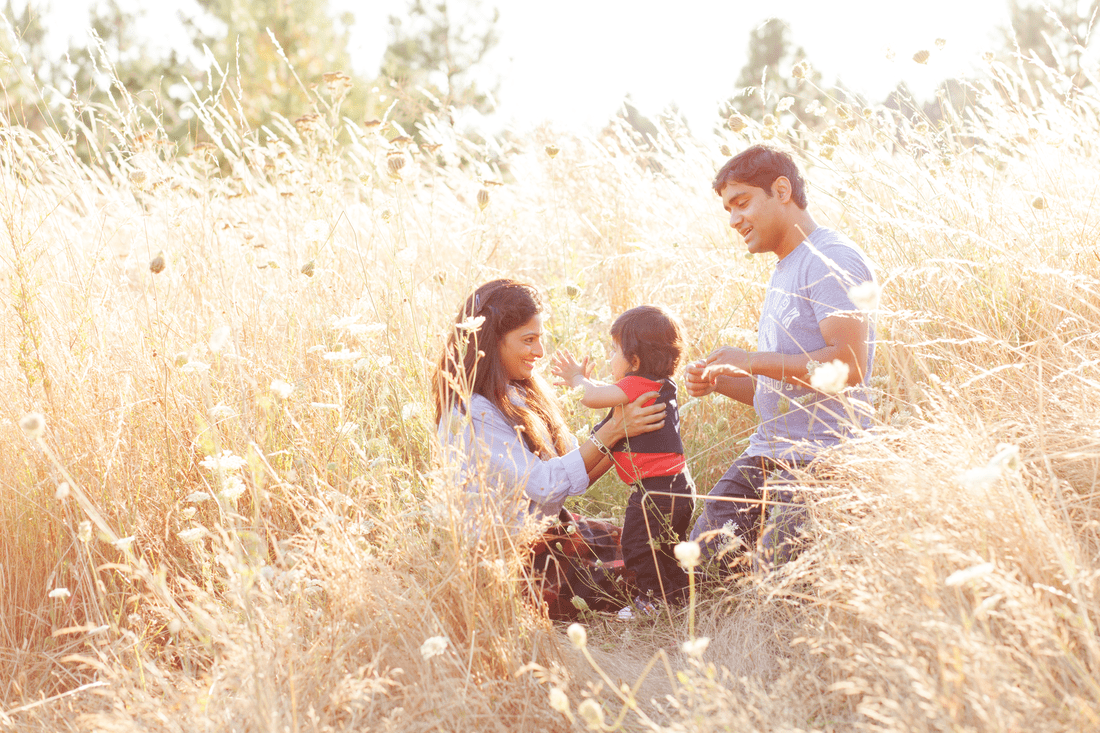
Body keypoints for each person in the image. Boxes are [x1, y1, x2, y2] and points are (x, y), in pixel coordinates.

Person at [686, 144, 877, 571]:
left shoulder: (830, 259)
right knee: (700, 564)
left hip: (822, 458)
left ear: (782, 190)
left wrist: (752, 359)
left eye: (742, 203)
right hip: (768, 452)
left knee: (778, 579)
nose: (734, 220)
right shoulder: (785, 267)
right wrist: (720, 381)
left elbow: (846, 369)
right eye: (728, 210)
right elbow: (779, 387)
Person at [433, 278, 666, 537]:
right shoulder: (472, 412)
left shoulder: (516, 391)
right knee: (643, 567)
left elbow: (573, 474)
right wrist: (613, 430)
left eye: (539, 338)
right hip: (509, 551)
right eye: (529, 340)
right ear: (492, 342)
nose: (540, 351)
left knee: (655, 555)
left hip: (545, 529)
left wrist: (623, 424)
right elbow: (546, 484)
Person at [551, 306, 694, 616]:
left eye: (613, 350)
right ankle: (677, 596)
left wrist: (578, 379)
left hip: (653, 492)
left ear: (635, 361)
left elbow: (591, 397)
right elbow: (610, 393)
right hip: (680, 488)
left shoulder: (634, 386)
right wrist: (596, 385)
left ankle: (650, 602)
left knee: (639, 547)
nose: (608, 358)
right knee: (668, 549)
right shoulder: (661, 385)